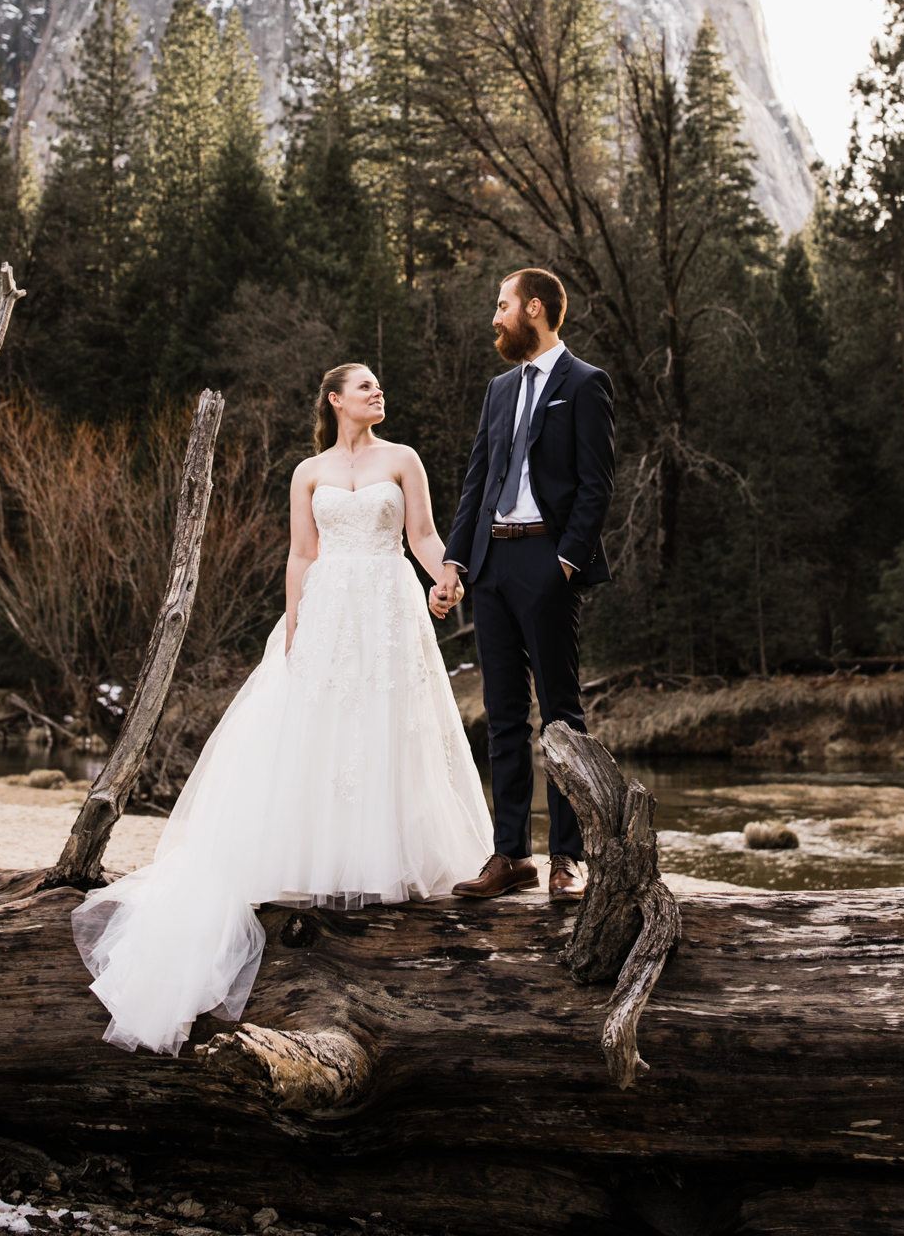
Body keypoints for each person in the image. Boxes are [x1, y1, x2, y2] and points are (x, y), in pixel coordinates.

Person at [72, 363, 493, 1055]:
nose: (377, 394)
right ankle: (318, 861)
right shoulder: (306, 471)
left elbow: (420, 535)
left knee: (389, 730)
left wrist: (447, 576)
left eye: (380, 386)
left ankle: (389, 862)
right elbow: (302, 553)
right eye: (365, 387)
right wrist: (295, 621)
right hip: (327, 608)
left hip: (388, 605)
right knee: (320, 735)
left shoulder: (403, 458)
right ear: (335, 401)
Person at [433, 268, 614, 901]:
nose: (495, 316)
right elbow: (476, 482)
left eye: (503, 305)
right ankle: (510, 855)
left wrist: (566, 561)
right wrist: (456, 562)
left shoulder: (586, 384)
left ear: (534, 308)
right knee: (504, 716)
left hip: (546, 560)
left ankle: (567, 857)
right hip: (491, 566)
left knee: (561, 716)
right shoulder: (498, 389)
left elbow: (596, 486)